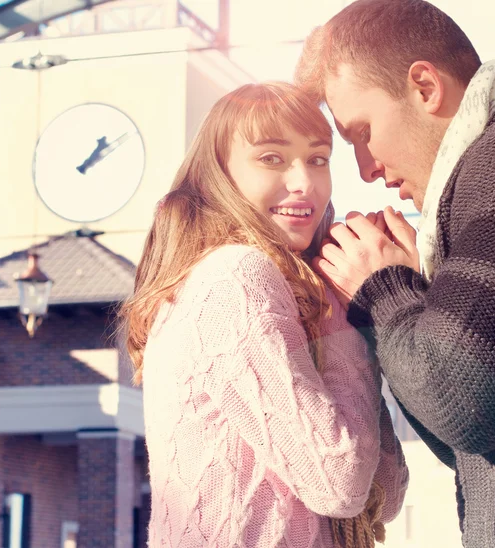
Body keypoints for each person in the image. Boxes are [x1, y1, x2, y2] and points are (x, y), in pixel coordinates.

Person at [294, 0, 495, 547]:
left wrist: (383, 289)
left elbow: (471, 405)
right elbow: (473, 450)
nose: (366, 169)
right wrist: (413, 303)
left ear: (425, 87)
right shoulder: (479, 190)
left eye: (361, 133)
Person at [120, 82, 408, 547]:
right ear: (219, 175)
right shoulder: (233, 277)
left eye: (318, 158)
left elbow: (386, 494)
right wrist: (343, 312)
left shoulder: (290, 291)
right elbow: (340, 481)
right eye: (271, 158)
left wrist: (357, 313)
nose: (304, 182)